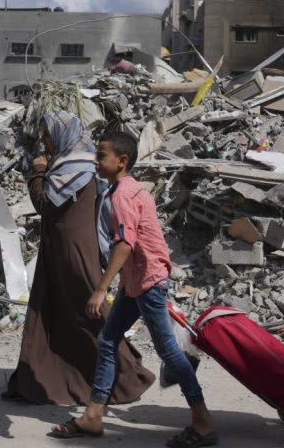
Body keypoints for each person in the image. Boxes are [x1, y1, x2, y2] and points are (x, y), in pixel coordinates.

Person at [50, 131, 218, 448]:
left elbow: (125, 245)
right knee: (109, 339)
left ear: (122, 161)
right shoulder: (131, 188)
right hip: (135, 281)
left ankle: (203, 420)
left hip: (148, 282)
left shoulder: (122, 196)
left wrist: (100, 289)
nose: (95, 160)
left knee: (169, 351)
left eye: (101, 155)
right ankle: (93, 415)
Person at [3, 111, 154, 405]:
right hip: (60, 248)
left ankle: (126, 377)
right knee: (56, 311)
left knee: (89, 310)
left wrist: (36, 172)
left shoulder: (75, 165)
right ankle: (51, 377)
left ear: (62, 135)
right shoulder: (77, 162)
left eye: (48, 135)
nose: (45, 141)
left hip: (73, 249)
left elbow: (44, 204)